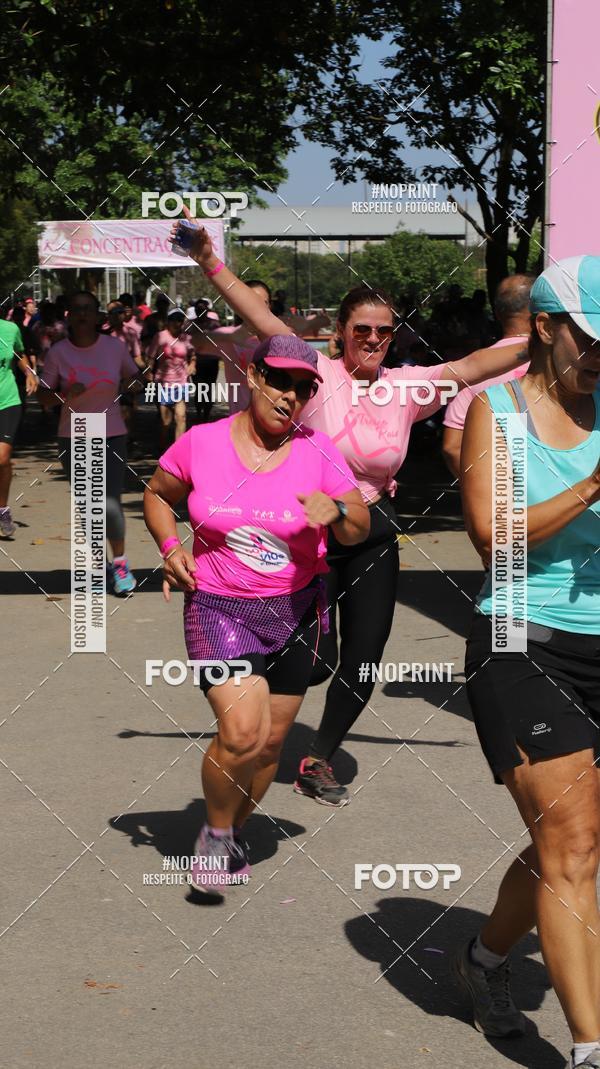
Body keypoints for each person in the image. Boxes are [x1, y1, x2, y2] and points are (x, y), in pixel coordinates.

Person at [175, 213, 528, 805]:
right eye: (362, 328)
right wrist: (209, 260)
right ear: (339, 333)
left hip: (371, 529)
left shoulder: (407, 386)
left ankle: (318, 757)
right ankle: (257, 706)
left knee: (364, 659)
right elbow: (262, 320)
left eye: (384, 331)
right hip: (306, 532)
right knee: (318, 662)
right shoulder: (315, 376)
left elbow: (475, 366)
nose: (373, 338)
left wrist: (555, 332)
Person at [143, 334, 369, 892]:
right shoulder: (202, 442)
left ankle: (235, 827)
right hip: (219, 606)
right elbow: (157, 494)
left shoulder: (319, 451)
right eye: (279, 380)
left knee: (269, 744)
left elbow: (358, 527)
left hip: (296, 611)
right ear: (253, 376)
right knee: (243, 732)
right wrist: (171, 548)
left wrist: (338, 512)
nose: (289, 395)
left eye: (303, 388)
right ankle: (216, 834)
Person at [455, 256, 600, 1069]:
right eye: (590, 337)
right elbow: (493, 536)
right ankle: (591, 1049)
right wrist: (594, 484)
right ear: (545, 327)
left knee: (575, 844)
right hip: (521, 635)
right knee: (572, 845)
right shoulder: (498, 410)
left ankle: (482, 960)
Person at [38, 290, 143, 594]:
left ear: (98, 316)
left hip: (111, 431)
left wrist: (132, 383)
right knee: (87, 505)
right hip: (74, 434)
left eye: (88, 309)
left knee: (109, 502)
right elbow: (43, 397)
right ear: (69, 316)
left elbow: (136, 379)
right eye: (77, 309)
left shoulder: (114, 347)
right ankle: (101, 561)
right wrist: (63, 394)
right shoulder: (58, 352)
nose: (83, 314)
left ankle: (120, 563)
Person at [442, 274, 534, 478]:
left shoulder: (475, 370)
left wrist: (484, 489)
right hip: (565, 492)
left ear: (497, 313)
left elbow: (452, 447)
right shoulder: (566, 365)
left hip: (498, 490)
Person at [0, 311, 38, 538]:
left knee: (2, 458)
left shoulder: (9, 329)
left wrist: (28, 371)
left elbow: (18, 352)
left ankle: (2, 510)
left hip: (7, 400)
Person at [147, 308, 196, 447]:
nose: (177, 323)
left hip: (181, 381)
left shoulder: (186, 338)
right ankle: (164, 447)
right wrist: (148, 371)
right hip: (164, 382)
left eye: (180, 320)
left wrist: (192, 364)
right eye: (174, 320)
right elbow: (151, 357)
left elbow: (192, 354)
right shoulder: (160, 336)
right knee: (166, 422)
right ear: (168, 322)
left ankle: (178, 449)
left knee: (181, 417)